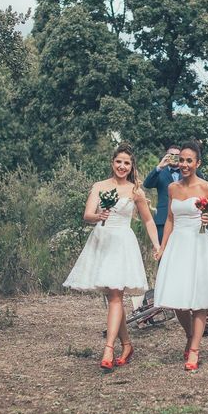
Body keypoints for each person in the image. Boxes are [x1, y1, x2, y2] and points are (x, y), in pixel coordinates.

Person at [63, 144, 160, 371]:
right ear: (112, 162)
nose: (122, 166)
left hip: (122, 244)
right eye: (119, 162)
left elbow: (147, 220)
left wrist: (157, 245)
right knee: (112, 295)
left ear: (131, 166)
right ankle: (126, 344)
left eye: (127, 163)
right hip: (102, 242)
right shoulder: (100, 186)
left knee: (116, 295)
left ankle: (108, 348)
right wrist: (99, 215)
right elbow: (87, 215)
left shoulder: (136, 191)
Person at [153, 141, 208, 371]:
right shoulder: (173, 188)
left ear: (198, 163)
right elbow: (169, 218)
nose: (185, 164)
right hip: (178, 244)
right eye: (182, 160)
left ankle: (195, 350)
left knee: (199, 299)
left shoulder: (207, 187)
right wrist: (162, 246)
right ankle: (190, 335)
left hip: (199, 244)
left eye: (189, 160)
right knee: (177, 300)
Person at [143, 145, 203, 244]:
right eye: (171, 155)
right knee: (163, 254)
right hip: (163, 219)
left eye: (177, 155)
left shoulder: (187, 171)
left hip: (186, 220)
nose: (174, 157)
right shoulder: (160, 172)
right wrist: (159, 167)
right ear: (166, 156)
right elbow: (147, 184)